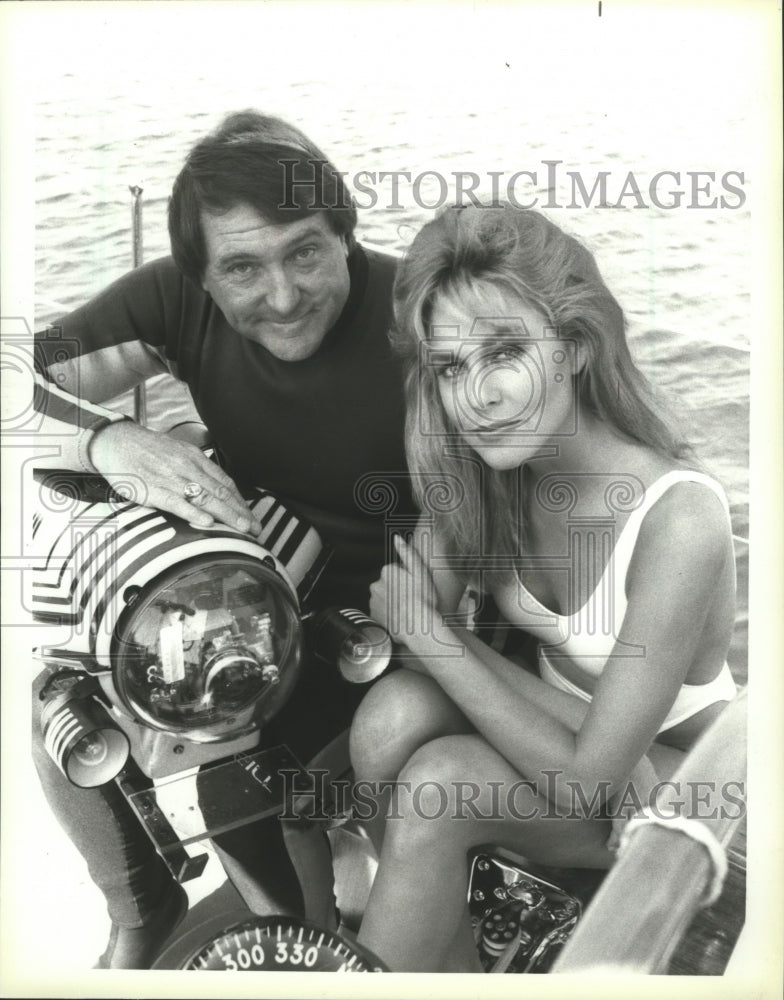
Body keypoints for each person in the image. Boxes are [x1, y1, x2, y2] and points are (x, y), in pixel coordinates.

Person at [32, 109, 414, 968]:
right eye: (242, 267)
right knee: (64, 695)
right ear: (200, 275)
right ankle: (143, 913)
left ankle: (309, 946)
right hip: (269, 594)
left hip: (407, 626)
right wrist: (109, 440)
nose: (282, 296)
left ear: (344, 235)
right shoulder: (172, 301)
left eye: (306, 252)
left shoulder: (420, 314)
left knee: (225, 767)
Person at [348, 203, 738, 972]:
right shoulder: (490, 479)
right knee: (387, 719)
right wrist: (428, 635)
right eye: (451, 368)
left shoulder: (679, 518)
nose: (476, 398)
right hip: (579, 751)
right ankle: (448, 962)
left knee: (443, 782)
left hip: (694, 787)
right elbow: (409, 647)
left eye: (504, 353)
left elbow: (589, 779)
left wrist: (435, 634)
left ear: (578, 347)